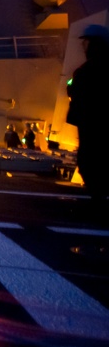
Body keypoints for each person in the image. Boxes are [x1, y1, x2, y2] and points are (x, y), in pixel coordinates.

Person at [66, 24, 109, 211]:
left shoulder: (88, 70)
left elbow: (77, 91)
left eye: (87, 44)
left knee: (90, 160)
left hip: (91, 121)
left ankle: (98, 199)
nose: (84, 48)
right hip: (91, 120)